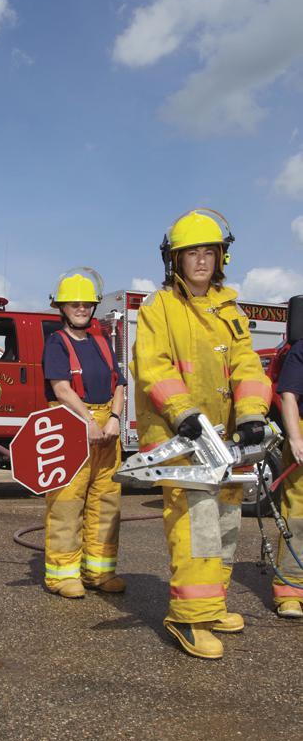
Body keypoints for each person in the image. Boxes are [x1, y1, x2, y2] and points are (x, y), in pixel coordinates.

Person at [132, 209, 271, 658]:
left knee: (226, 523)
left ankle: (212, 606)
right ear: (175, 260)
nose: (201, 260)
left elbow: (247, 365)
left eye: (208, 252)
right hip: (183, 438)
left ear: (221, 257)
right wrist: (184, 413)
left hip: (225, 440)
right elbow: (153, 366)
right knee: (198, 527)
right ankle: (188, 619)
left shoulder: (230, 308)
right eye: (191, 253)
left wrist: (252, 414)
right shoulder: (159, 307)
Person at [40, 270, 127, 599]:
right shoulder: (56, 343)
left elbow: (119, 384)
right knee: (67, 501)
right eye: (74, 304)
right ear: (61, 307)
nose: (81, 309)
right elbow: (61, 389)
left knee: (106, 501)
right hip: (71, 425)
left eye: (86, 304)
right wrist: (88, 419)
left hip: (106, 427)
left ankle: (99, 572)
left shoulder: (102, 342)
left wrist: (115, 418)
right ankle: (62, 574)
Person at [270, 335, 303, 618]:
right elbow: (289, 394)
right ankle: (290, 591)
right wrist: (295, 438)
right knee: (298, 516)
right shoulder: (301, 350)